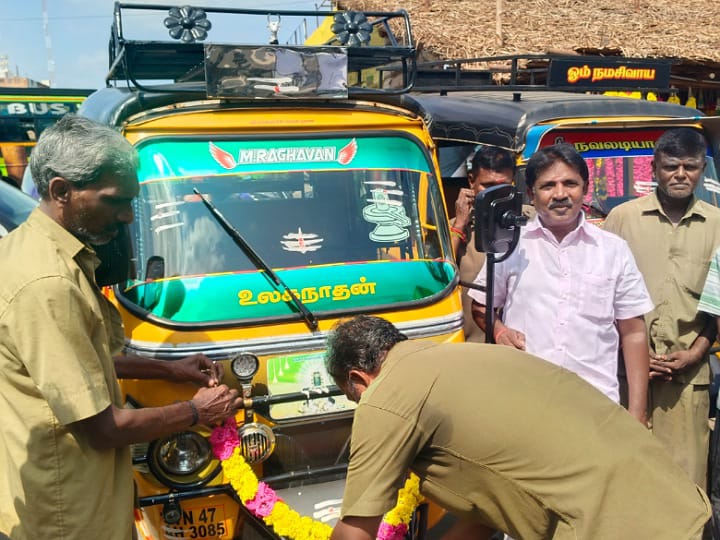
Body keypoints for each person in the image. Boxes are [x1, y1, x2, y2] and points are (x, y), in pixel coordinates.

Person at [0, 115, 243, 540]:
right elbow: (102, 427)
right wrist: (196, 412)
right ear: (61, 191)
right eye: (115, 201)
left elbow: (81, 359)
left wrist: (172, 369)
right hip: (69, 513)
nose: (129, 217)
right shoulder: (49, 283)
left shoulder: (32, 250)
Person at [326, 315, 710, 540]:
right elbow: (487, 503)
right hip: (685, 511)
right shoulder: (473, 356)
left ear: (358, 378)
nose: (359, 405)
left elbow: (355, 531)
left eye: (353, 396)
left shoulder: (387, 393)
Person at [467, 143, 652, 423]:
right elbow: (481, 307)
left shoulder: (613, 250)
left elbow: (633, 332)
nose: (560, 194)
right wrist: (501, 331)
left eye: (570, 183)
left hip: (596, 406)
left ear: (585, 188)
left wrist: (637, 412)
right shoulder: (512, 246)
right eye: (548, 185)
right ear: (531, 193)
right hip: (526, 403)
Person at [604, 127, 720, 490]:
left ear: (702, 169)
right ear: (653, 169)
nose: (681, 175)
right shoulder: (621, 219)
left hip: (688, 380)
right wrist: (632, 357)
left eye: (690, 166)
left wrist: (695, 353)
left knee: (685, 486)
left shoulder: (717, 225)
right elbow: (598, 299)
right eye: (671, 166)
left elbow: (716, 310)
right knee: (626, 478)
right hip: (624, 377)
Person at [450, 146, 524, 342]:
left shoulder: (528, 220)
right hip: (472, 348)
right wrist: (459, 224)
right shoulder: (454, 228)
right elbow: (438, 276)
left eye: (503, 186)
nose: (496, 194)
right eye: (488, 186)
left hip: (520, 347)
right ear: (471, 181)